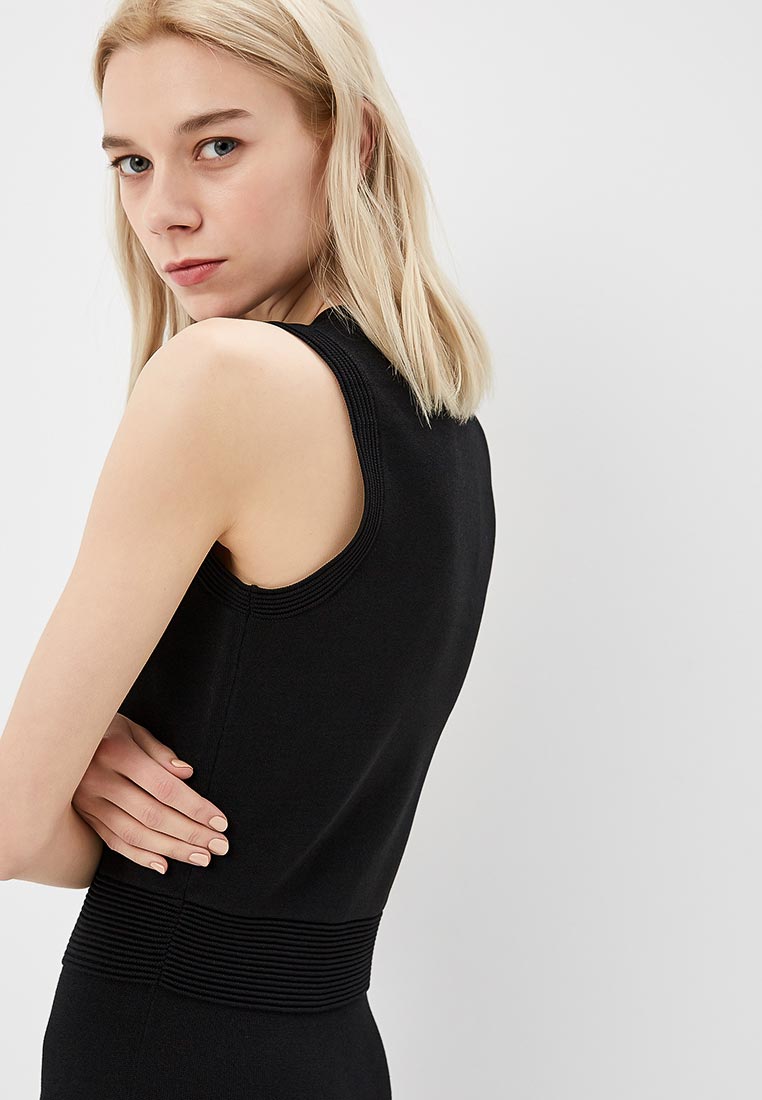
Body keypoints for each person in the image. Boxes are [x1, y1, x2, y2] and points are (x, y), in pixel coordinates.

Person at [0, 1, 496, 1096]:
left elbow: (10, 825)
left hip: (161, 1046)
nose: (164, 211)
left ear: (351, 139)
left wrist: (64, 781)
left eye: (217, 146)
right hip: (330, 1050)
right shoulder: (446, 428)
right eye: (131, 163)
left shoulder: (223, 377)